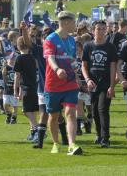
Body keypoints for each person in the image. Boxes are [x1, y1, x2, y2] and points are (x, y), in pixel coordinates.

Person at [43, 11, 82, 156]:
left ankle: (72, 144)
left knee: (70, 112)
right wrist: (57, 69)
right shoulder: (50, 39)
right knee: (53, 116)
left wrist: (77, 75)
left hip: (70, 83)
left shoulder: (72, 40)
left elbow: (71, 59)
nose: (75, 25)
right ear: (65, 23)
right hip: (53, 84)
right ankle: (55, 143)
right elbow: (50, 59)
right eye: (73, 22)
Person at [82, 20, 117, 147]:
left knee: (103, 109)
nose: (101, 31)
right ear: (93, 31)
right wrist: (87, 79)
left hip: (105, 83)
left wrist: (112, 86)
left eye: (103, 29)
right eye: (98, 29)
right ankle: (98, 134)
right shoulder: (88, 46)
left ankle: (105, 138)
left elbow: (113, 67)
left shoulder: (110, 47)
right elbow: (84, 66)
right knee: (95, 111)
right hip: (92, 83)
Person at [14, 36, 39, 143]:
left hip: (26, 87)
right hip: (34, 86)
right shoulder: (33, 57)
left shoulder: (19, 58)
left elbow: (17, 75)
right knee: (32, 110)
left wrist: (15, 89)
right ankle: (33, 132)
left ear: (18, 46)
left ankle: (37, 130)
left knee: (26, 111)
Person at [2, 52, 18, 124]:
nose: (12, 60)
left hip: (14, 90)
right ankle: (9, 115)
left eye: (13, 59)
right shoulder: (6, 67)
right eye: (11, 59)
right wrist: (4, 66)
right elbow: (3, 74)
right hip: (7, 90)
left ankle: (14, 118)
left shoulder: (17, 68)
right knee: (5, 104)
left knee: (14, 105)